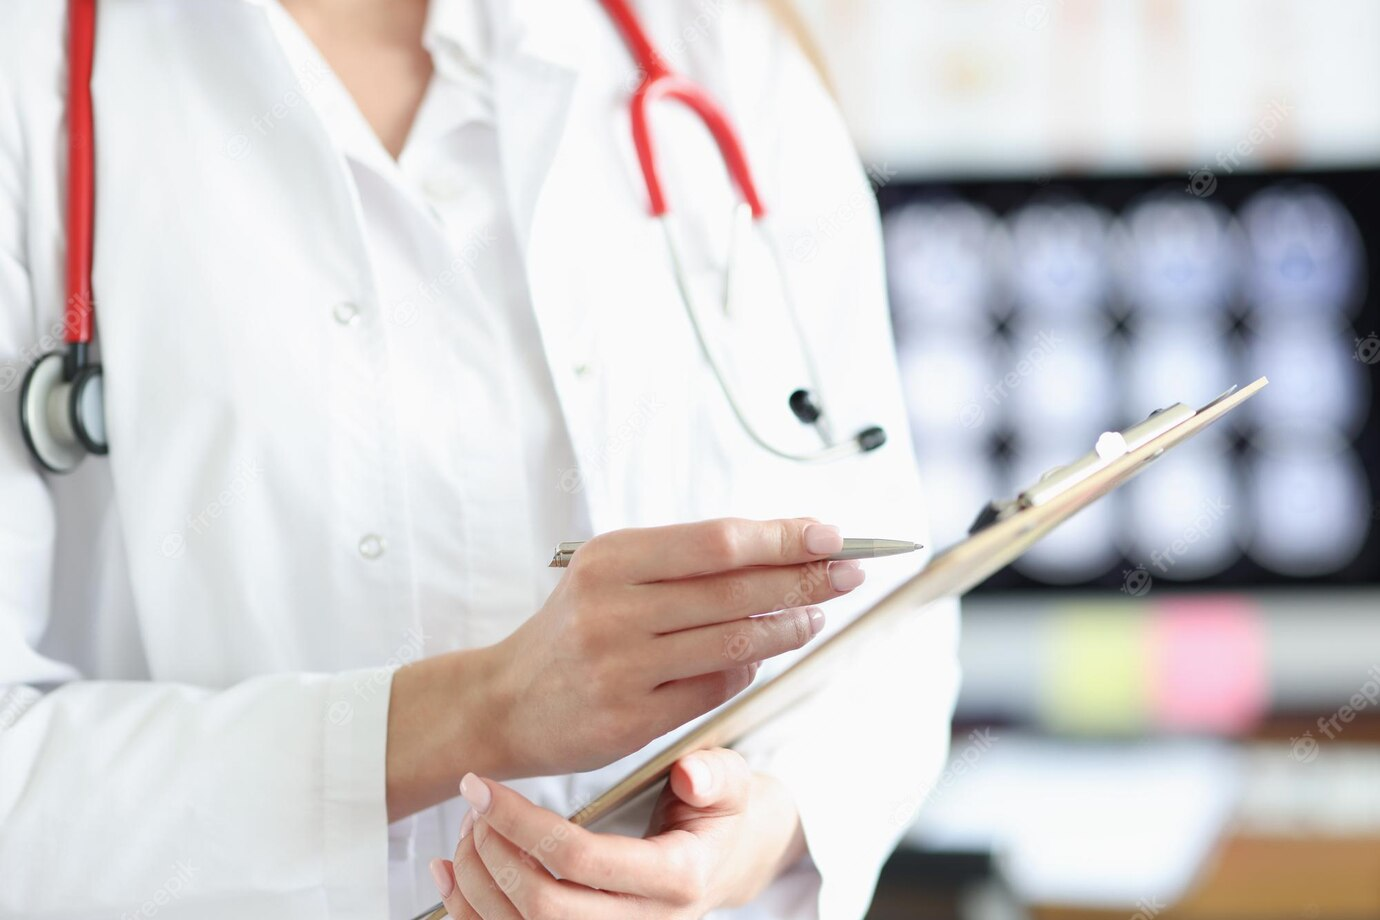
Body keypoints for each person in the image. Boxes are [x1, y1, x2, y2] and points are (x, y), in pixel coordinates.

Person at [0, 0, 960, 917]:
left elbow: (891, 610)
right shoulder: (35, 70)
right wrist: (481, 709)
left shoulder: (716, 42)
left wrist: (763, 826)